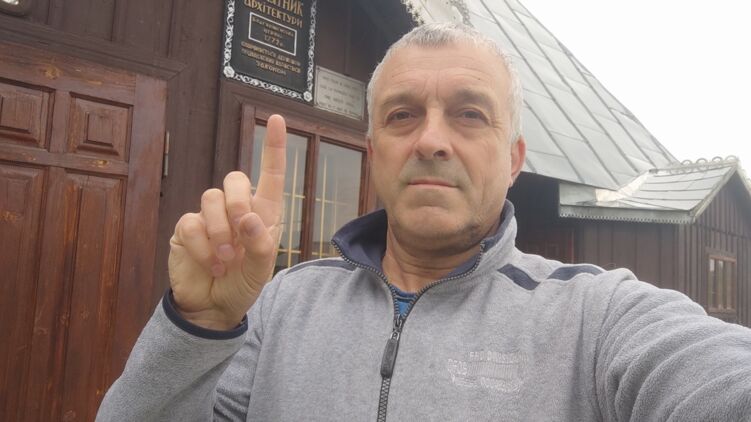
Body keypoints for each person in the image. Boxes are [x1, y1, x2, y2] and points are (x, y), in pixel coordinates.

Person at [97, 23, 751, 421]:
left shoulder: (597, 317)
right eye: (402, 115)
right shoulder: (281, 307)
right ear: (374, 149)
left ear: (514, 159)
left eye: (469, 114)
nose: (431, 140)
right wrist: (200, 325)